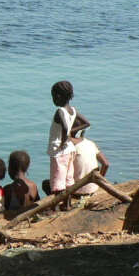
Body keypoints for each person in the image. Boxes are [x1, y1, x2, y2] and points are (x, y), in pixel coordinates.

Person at [46, 80, 89, 210]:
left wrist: (64, 140)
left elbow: (64, 127)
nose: (53, 99)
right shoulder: (72, 110)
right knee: (68, 180)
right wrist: (72, 134)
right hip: (70, 149)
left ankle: (55, 207)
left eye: (53, 96)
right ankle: (67, 204)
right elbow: (86, 123)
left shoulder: (60, 111)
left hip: (59, 151)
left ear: (59, 96)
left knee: (58, 181)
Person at [71, 130, 110, 196]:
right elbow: (106, 164)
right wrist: (99, 181)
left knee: (48, 184)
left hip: (76, 191)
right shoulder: (91, 143)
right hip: (94, 188)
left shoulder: (71, 148)